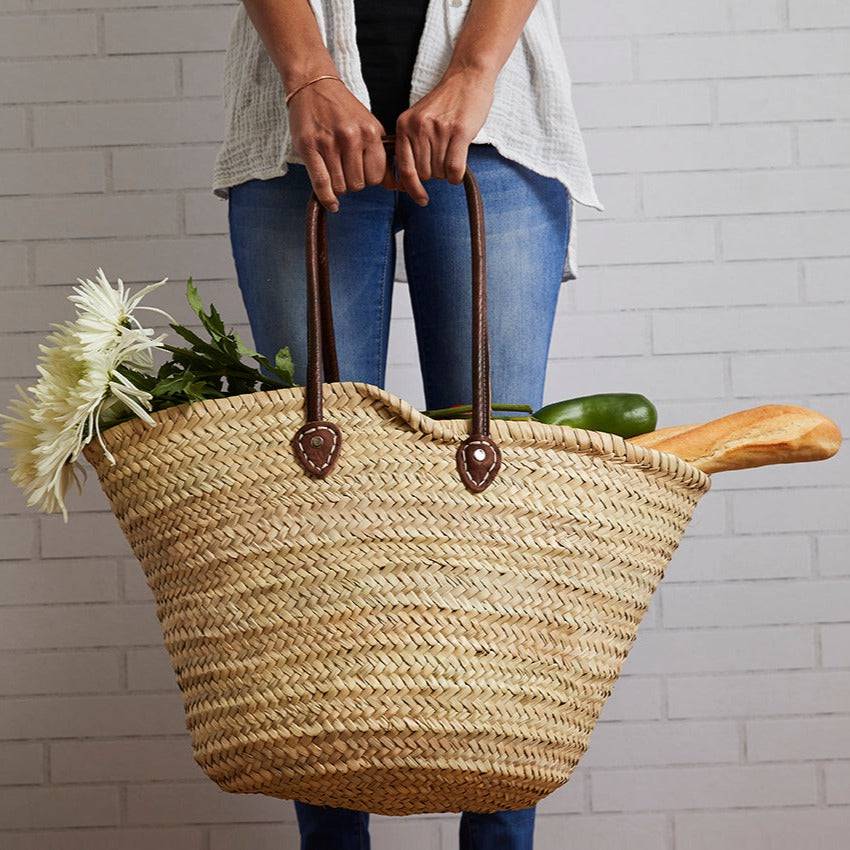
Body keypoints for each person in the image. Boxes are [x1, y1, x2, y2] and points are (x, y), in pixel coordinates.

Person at [212, 1, 600, 847]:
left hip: (494, 124)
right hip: (297, 126)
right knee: (320, 526)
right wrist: (310, 72)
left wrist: (471, 71)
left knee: (497, 520)